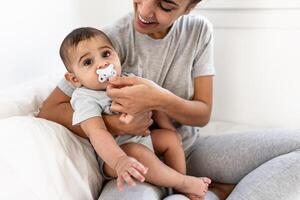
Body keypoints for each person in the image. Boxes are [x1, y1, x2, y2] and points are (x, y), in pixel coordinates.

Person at [38, 0, 300, 199]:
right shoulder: (103, 41)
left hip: (186, 150)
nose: (146, 10)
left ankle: (187, 186)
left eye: (165, 5)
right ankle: (202, 189)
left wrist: (159, 98)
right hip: (128, 158)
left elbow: (202, 114)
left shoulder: (197, 31)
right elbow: (49, 111)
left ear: (189, 7)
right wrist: (120, 126)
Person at [59, 27, 211, 199]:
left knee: (170, 139)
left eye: (106, 54)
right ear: (74, 79)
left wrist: (168, 128)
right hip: (117, 154)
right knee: (136, 152)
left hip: (144, 139)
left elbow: (154, 104)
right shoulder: (85, 98)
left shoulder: (128, 79)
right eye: (88, 62)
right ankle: (183, 182)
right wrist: (119, 161)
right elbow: (96, 133)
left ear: (116, 54)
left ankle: (178, 189)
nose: (102, 64)